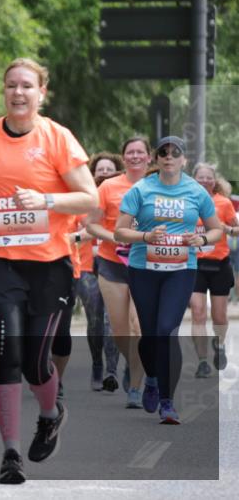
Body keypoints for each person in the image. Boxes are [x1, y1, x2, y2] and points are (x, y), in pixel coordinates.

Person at [0, 58, 97, 484]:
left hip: (49, 265)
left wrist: (46, 202)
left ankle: (51, 414)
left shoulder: (58, 138)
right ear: (4, 91)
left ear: (42, 93)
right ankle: (10, 455)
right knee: (7, 352)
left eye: (27, 86)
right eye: (11, 86)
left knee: (37, 361)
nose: (18, 93)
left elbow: (88, 197)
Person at [115, 136, 223, 424]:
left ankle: (167, 401)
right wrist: (145, 237)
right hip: (144, 269)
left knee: (166, 330)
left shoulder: (196, 192)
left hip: (180, 270)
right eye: (164, 152)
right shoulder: (141, 189)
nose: (169, 157)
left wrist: (200, 238)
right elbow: (119, 232)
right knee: (149, 335)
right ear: (156, 158)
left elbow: (216, 230)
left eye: (176, 153)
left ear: (183, 159)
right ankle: (151, 377)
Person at [86, 138, 151, 407]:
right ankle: (130, 362)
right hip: (112, 263)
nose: (135, 156)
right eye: (130, 152)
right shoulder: (109, 186)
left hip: (146, 264)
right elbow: (91, 225)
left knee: (138, 327)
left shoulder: (160, 188)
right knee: (120, 330)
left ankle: (136, 385)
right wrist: (114, 237)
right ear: (123, 158)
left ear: (149, 157)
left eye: (140, 152)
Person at [51, 153, 123, 394]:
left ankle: (111, 371)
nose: (104, 172)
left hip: (114, 263)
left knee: (110, 320)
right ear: (92, 173)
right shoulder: (84, 199)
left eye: (109, 169)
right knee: (94, 318)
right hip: (86, 267)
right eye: (100, 169)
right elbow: (74, 227)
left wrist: (89, 233)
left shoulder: (121, 197)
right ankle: (97, 364)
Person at [189, 163, 238, 376]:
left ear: (214, 180)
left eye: (209, 177)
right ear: (194, 180)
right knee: (198, 313)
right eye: (201, 177)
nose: (205, 181)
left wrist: (227, 229)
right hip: (195, 264)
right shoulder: (186, 202)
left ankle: (219, 345)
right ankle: (202, 362)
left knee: (219, 316)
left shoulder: (224, 203)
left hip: (219, 264)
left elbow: (237, 229)